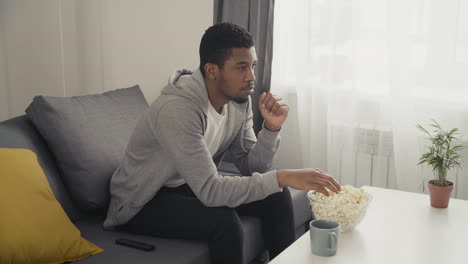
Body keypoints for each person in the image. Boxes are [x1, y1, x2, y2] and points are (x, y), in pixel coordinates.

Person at [104, 22, 341, 264]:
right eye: (241, 67)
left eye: (252, 66)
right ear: (212, 70)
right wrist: (281, 176)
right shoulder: (177, 110)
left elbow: (251, 166)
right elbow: (211, 191)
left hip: (186, 184)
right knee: (224, 222)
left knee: (276, 196)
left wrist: (271, 128)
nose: (251, 77)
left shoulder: (238, 101)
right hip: (143, 201)